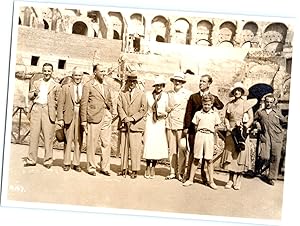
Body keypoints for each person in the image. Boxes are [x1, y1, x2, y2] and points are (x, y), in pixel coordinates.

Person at [183, 74, 224, 184]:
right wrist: (186, 127)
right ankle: (188, 176)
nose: (201, 83)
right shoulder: (193, 96)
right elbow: (188, 112)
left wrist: (211, 98)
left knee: (207, 155)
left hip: (207, 131)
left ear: (209, 84)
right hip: (194, 128)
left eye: (204, 82)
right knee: (193, 153)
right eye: (200, 81)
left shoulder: (212, 97)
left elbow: (221, 106)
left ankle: (204, 176)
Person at [221, 82, 256, 190]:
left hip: (241, 132)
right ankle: (230, 179)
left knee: (241, 154)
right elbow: (226, 117)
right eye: (235, 90)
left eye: (239, 90)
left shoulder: (246, 104)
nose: (237, 92)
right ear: (233, 92)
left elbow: (251, 118)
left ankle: (238, 179)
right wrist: (227, 125)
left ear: (242, 92)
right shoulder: (229, 104)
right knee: (231, 155)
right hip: (231, 132)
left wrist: (244, 127)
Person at [24, 63, 60, 169]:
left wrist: (55, 111)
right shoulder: (36, 82)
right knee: (34, 136)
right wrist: (34, 94)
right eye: (45, 71)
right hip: (36, 109)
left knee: (48, 137)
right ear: (42, 71)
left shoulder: (56, 85)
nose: (47, 73)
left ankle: (48, 161)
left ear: (52, 72)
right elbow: (29, 95)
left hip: (48, 111)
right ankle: (31, 160)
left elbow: (58, 100)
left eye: (49, 71)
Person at [80, 64, 113, 176]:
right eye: (101, 71)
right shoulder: (88, 85)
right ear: (95, 73)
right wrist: (83, 120)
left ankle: (105, 167)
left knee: (106, 143)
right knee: (92, 143)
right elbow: (83, 104)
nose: (104, 73)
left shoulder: (107, 85)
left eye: (104, 71)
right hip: (93, 117)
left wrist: (110, 111)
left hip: (106, 116)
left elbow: (109, 100)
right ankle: (91, 167)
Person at [117, 72, 147, 179]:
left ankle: (134, 169)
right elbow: (119, 107)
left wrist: (133, 118)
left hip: (136, 125)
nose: (131, 84)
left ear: (136, 82)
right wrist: (125, 118)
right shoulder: (122, 93)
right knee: (124, 147)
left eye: (134, 82)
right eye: (130, 81)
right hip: (125, 125)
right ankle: (124, 168)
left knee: (135, 149)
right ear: (127, 82)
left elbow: (143, 109)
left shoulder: (141, 94)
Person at [254, 93, 287, 186]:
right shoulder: (260, 112)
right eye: (267, 102)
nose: (268, 104)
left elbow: (285, 121)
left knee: (275, 157)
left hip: (277, 137)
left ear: (273, 103)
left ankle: (271, 177)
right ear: (264, 102)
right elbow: (254, 120)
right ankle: (258, 169)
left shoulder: (277, 112)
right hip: (265, 136)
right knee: (265, 156)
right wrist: (257, 124)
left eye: (270, 102)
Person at [165, 72, 192, 181]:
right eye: (175, 80)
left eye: (179, 81)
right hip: (170, 123)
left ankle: (180, 172)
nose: (177, 82)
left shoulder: (187, 94)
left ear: (182, 83)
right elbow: (165, 107)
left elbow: (189, 110)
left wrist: (187, 126)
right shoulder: (168, 93)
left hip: (181, 124)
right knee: (172, 149)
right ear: (173, 81)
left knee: (182, 149)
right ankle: (172, 171)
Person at [57, 67, 84, 172]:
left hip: (81, 116)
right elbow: (60, 104)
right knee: (68, 140)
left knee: (79, 140)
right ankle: (67, 162)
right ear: (72, 76)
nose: (78, 77)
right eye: (76, 75)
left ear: (82, 77)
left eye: (79, 75)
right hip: (68, 115)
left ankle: (76, 163)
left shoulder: (85, 87)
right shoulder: (66, 87)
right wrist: (60, 118)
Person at [143, 76, 169, 179]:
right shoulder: (148, 95)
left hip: (160, 123)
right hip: (150, 122)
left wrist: (164, 114)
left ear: (163, 86)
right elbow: (145, 108)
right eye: (157, 85)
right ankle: (147, 166)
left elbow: (168, 109)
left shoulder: (166, 96)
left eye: (160, 85)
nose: (158, 87)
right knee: (149, 143)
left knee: (157, 144)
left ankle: (153, 166)